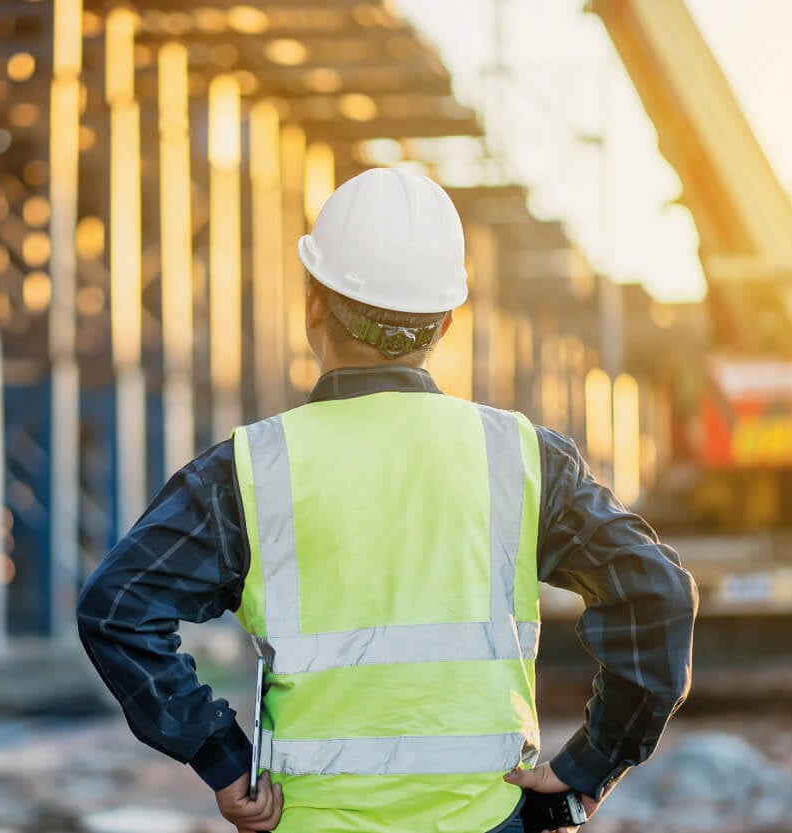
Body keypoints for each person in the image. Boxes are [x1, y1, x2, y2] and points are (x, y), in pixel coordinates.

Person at [77, 167, 698, 833]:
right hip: (485, 818)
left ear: (313, 300)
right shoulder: (522, 457)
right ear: (445, 321)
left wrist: (222, 757)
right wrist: (589, 764)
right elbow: (653, 592)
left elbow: (117, 608)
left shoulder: (248, 470)